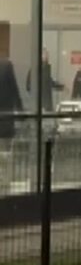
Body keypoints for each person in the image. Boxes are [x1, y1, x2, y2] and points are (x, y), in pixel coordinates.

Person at [0, 57, 23, 195]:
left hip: (5, 121)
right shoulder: (6, 66)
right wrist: (21, 112)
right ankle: (5, 184)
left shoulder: (6, 66)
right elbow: (15, 91)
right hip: (6, 121)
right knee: (6, 155)